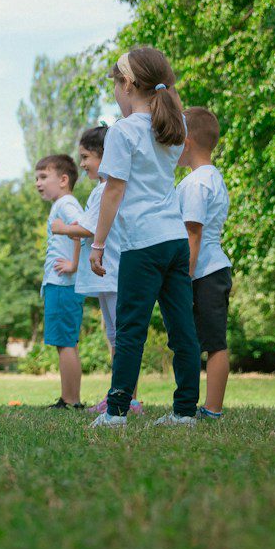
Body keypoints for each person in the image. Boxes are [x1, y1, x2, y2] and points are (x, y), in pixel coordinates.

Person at [89, 46, 201, 428]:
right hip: (174, 240)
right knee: (182, 328)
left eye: (116, 85)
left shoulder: (123, 131)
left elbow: (113, 191)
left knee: (131, 328)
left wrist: (99, 244)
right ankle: (185, 411)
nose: (115, 93)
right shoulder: (175, 125)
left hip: (142, 244)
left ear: (129, 84)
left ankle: (117, 412)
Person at [75, 126, 144, 416]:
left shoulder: (107, 189)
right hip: (107, 274)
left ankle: (129, 398)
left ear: (104, 157)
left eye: (86, 156)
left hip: (114, 271)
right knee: (115, 338)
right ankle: (120, 394)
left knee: (123, 338)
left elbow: (87, 227)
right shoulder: (100, 189)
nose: (82, 164)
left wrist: (59, 228)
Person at [177, 108, 231, 420]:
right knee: (208, 341)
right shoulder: (213, 177)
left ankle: (212, 409)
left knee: (214, 343)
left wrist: (184, 276)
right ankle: (204, 406)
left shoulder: (197, 183)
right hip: (211, 270)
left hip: (204, 272)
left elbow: (192, 233)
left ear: (185, 143)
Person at [36, 154, 88, 409]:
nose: (38, 183)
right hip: (59, 283)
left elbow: (81, 228)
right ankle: (69, 398)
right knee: (64, 342)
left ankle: (71, 400)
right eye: (37, 178)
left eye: (44, 177)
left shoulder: (66, 203)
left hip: (64, 283)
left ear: (64, 180)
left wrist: (74, 265)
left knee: (65, 342)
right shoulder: (61, 204)